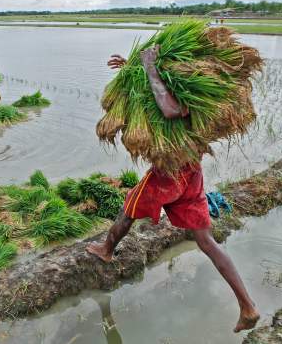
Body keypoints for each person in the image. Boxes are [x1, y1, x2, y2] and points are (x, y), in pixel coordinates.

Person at [86, 45, 260, 333]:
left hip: (169, 172)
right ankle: (248, 306)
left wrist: (150, 66)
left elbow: (170, 109)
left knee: (128, 209)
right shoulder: (197, 86)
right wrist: (133, 66)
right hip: (191, 171)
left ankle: (106, 249)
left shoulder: (197, 94)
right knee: (206, 241)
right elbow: (164, 91)